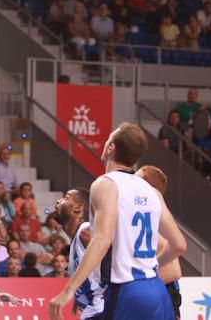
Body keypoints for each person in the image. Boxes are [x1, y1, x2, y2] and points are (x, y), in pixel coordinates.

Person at [50, 123, 186, 320]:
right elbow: (180, 245)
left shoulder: (105, 184)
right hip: (156, 289)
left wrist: (68, 290)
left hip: (127, 290)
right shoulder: (153, 191)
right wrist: (151, 265)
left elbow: (102, 241)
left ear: (111, 148)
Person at [136, 166, 182, 319]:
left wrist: (140, 281)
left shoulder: (156, 218)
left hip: (164, 295)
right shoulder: (147, 214)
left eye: (136, 179)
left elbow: (175, 271)